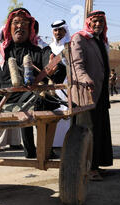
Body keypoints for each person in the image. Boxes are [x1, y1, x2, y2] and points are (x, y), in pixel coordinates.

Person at [0, 8, 57, 159]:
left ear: (30, 28)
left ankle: (44, 149)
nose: (20, 26)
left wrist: (52, 67)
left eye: (24, 23)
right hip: (6, 100)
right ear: (9, 27)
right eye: (16, 22)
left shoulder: (39, 49)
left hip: (33, 97)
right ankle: (29, 151)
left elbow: (53, 64)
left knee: (43, 102)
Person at [71, 10, 113, 181]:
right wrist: (85, 78)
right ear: (88, 22)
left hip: (100, 92)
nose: (98, 24)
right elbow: (76, 64)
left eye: (101, 21)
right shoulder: (79, 38)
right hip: (85, 93)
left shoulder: (100, 41)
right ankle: (87, 168)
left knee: (100, 129)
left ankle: (96, 165)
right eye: (94, 21)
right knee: (88, 131)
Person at [43, 19, 71, 149]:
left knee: (67, 112)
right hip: (53, 85)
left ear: (65, 30)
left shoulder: (71, 45)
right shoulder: (49, 48)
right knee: (55, 113)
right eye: (55, 30)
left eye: (60, 29)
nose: (58, 32)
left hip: (68, 84)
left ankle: (67, 142)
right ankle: (54, 143)